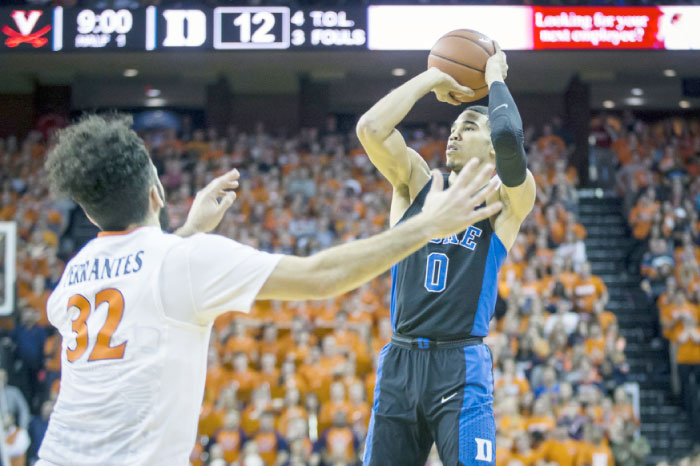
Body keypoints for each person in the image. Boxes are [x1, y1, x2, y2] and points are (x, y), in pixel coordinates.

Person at [36, 114, 501, 466]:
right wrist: (428, 226)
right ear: (157, 191)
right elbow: (322, 277)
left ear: (90, 213)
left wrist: (186, 230)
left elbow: (140, 268)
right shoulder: (186, 260)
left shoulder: (78, 270)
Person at [356, 43, 535, 465]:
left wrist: (494, 80)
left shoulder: (505, 201)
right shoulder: (417, 184)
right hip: (400, 361)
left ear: (491, 149)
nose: (455, 132)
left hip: (461, 363)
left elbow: (509, 136)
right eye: (454, 126)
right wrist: (432, 78)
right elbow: (370, 129)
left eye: (470, 126)